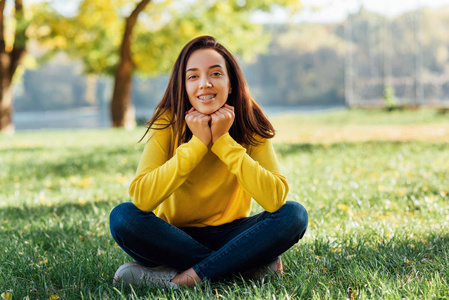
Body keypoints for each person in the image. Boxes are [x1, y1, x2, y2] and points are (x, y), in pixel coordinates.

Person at [109, 35, 308, 289]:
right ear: (183, 86)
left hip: (234, 235)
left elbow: (275, 199)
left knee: (294, 215)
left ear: (231, 83)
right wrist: (197, 145)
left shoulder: (250, 123)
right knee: (123, 217)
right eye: (193, 76)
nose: (204, 84)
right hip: (174, 237)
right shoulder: (167, 122)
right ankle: (241, 269)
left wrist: (223, 142)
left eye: (215, 74)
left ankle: (181, 279)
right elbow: (142, 198)